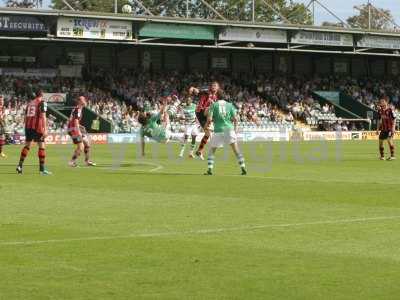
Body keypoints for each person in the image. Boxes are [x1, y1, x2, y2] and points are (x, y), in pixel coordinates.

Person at [204, 97, 247, 176]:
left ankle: (209, 169)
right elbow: (235, 119)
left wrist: (206, 126)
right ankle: (243, 167)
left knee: (212, 151)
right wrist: (235, 129)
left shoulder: (214, 105)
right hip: (229, 129)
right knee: (236, 150)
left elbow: (209, 119)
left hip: (218, 130)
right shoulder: (230, 105)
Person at [16, 90, 52, 175]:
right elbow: (43, 116)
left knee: (27, 145)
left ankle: (20, 166)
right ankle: (42, 170)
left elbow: (25, 117)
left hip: (28, 127)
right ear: (42, 95)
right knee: (42, 146)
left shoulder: (30, 103)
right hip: (37, 127)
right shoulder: (42, 103)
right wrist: (45, 129)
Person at [189, 81, 220, 160]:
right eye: (212, 85)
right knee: (212, 110)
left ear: (218, 88)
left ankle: (199, 151)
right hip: (200, 111)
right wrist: (192, 88)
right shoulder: (206, 92)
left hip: (205, 114)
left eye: (215, 86)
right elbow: (197, 91)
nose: (213, 86)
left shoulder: (216, 96)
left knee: (208, 133)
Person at [67, 96, 96, 167]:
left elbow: (73, 120)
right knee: (81, 147)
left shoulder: (78, 109)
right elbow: (75, 121)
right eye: (84, 100)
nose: (85, 101)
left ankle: (87, 161)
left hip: (74, 128)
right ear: (80, 101)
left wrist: (80, 126)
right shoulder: (78, 110)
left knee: (87, 143)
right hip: (73, 130)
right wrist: (79, 131)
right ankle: (72, 162)